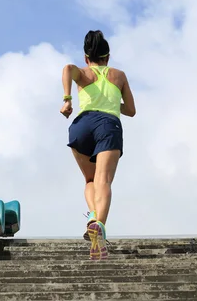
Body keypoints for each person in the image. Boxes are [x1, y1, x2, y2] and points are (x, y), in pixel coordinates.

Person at [60, 30, 136, 260]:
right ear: (108, 57)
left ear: (86, 58)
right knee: (104, 180)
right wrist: (112, 102)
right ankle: (99, 226)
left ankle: (93, 216)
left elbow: (66, 69)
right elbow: (131, 111)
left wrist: (67, 99)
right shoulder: (119, 75)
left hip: (81, 125)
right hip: (108, 125)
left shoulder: (82, 73)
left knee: (90, 180)